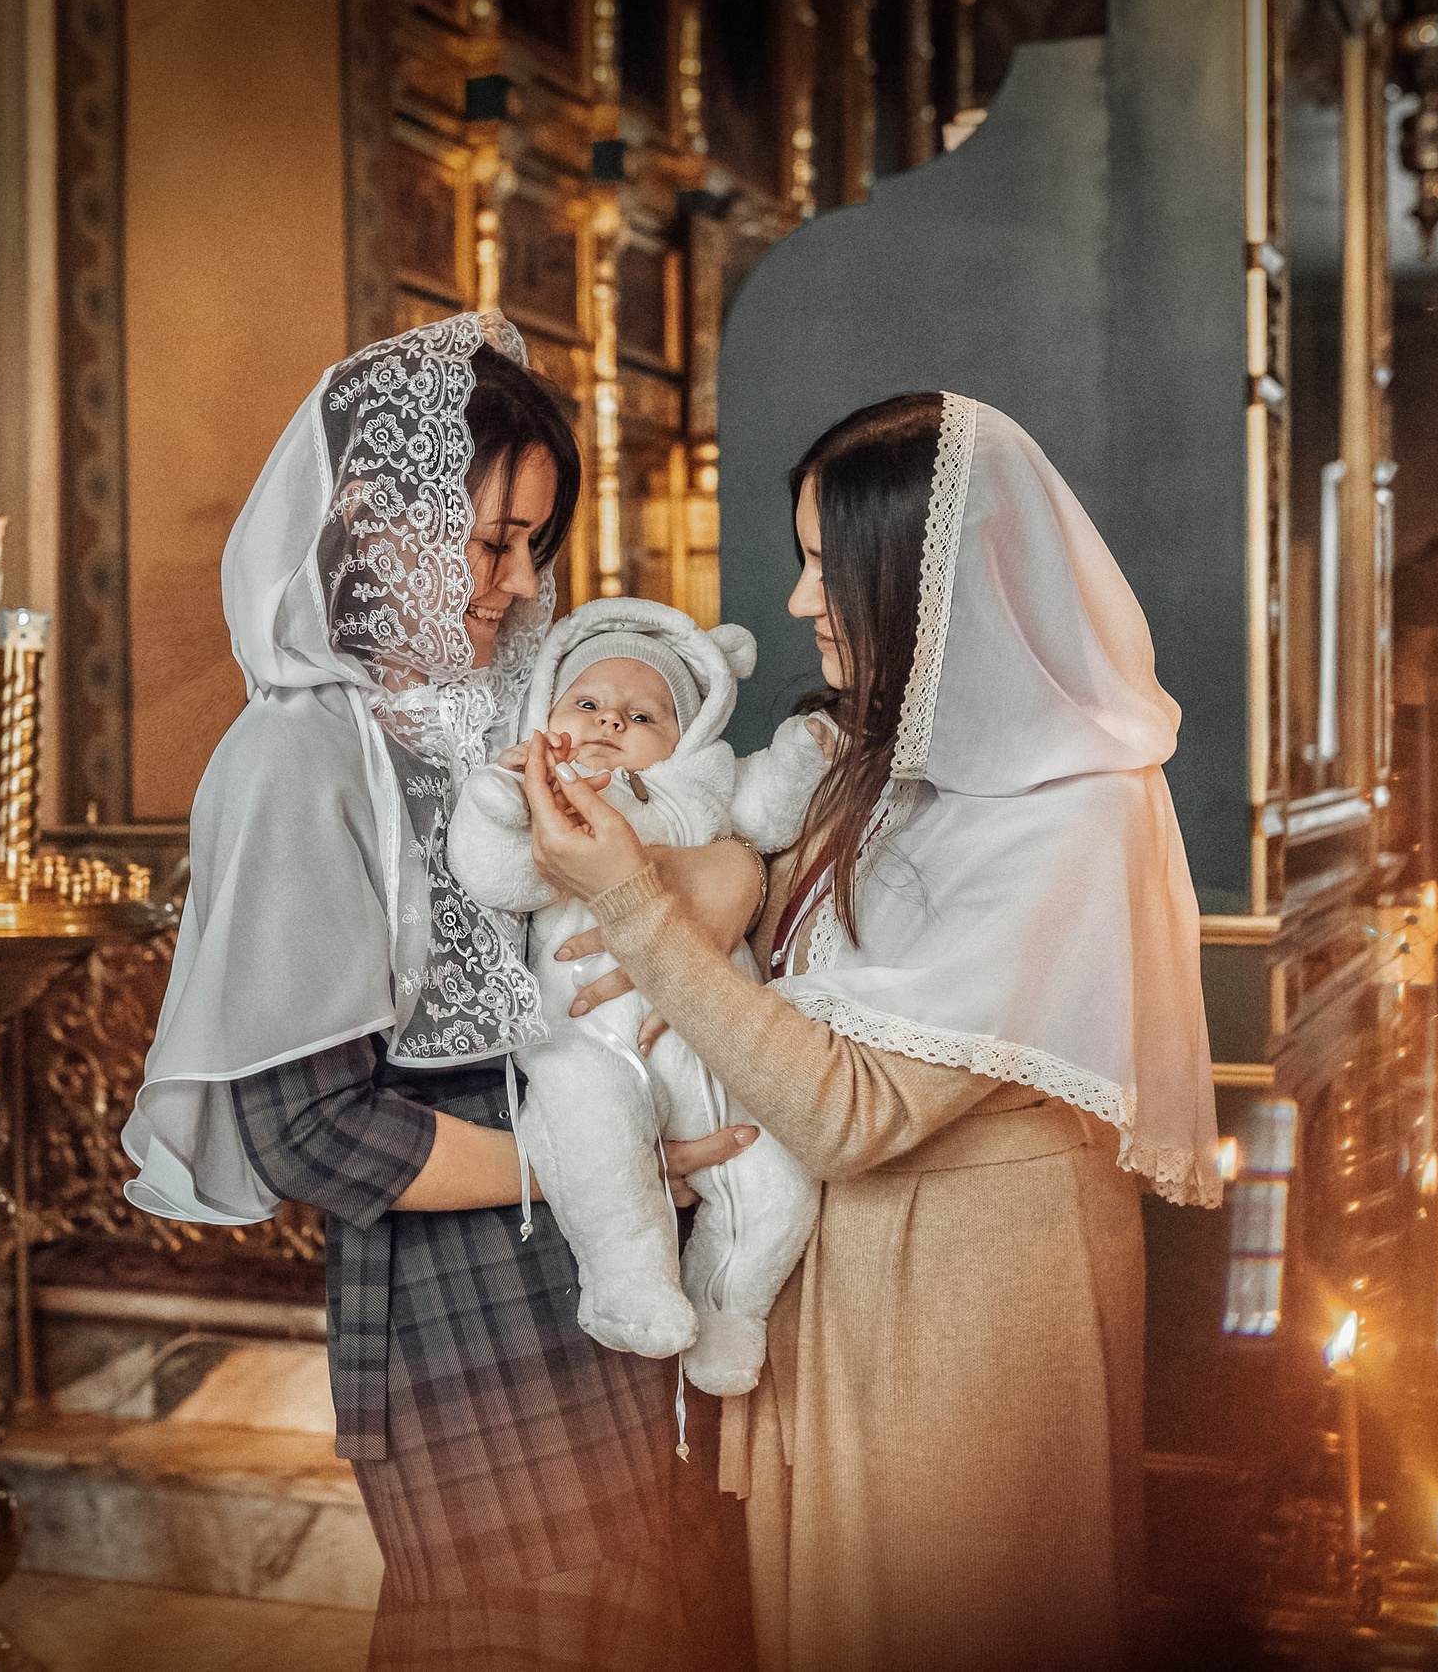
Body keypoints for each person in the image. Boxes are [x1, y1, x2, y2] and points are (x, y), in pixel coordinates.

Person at [520, 391, 1222, 1672]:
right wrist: (716, 878)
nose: (798, 602)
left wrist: (631, 899)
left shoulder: (1077, 811)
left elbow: (850, 1112)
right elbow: (768, 922)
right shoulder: (875, 759)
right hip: (841, 1287)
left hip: (967, 1306)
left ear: (929, 575)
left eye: (824, 567)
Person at [120, 312, 763, 1670]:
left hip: (598, 1275)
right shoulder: (294, 758)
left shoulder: (485, 722)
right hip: (464, 1314)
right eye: (490, 541)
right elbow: (313, 1127)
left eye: (537, 542)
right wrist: (613, 1159)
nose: (523, 583)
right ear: (374, 515)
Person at [447, 599, 825, 1396]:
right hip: (587, 1039)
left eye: (643, 713)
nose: (609, 720)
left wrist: (799, 756)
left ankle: (730, 1309)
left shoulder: (699, 789)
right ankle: (626, 1282)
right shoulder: (538, 791)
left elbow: (766, 808)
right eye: (586, 702)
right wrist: (493, 805)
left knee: (779, 1177)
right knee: (595, 1132)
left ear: (683, 738)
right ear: (548, 711)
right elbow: (497, 875)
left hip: (711, 1047)